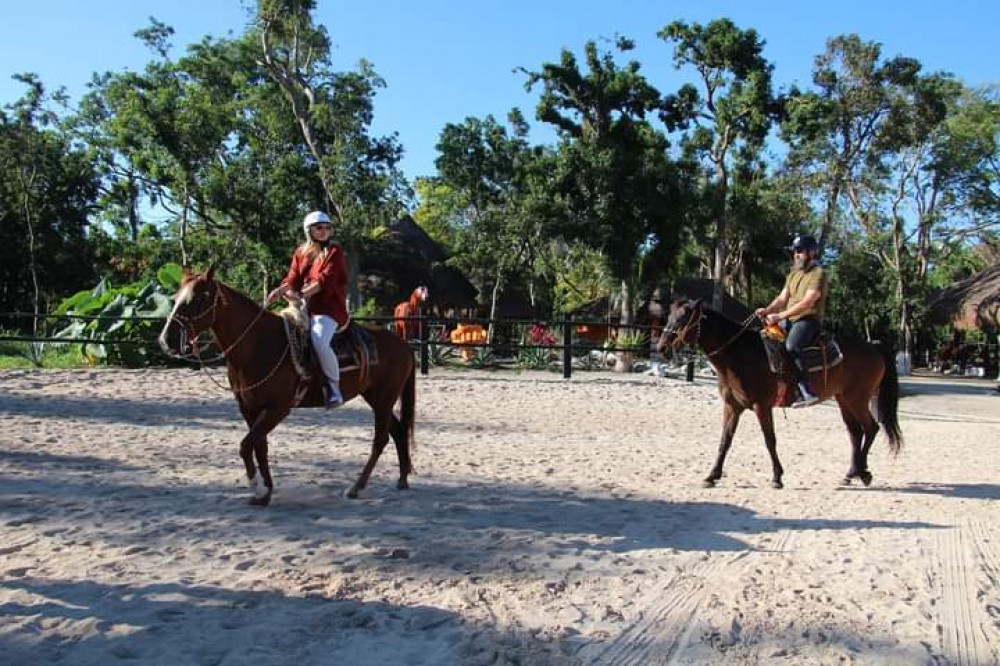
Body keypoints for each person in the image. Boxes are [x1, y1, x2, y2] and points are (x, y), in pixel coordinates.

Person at [267, 211, 348, 407]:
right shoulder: (300, 252)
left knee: (319, 341)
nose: (324, 231)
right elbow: (292, 278)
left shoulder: (334, 251)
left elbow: (324, 281)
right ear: (309, 230)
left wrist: (301, 295)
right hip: (302, 307)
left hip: (327, 308)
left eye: (328, 227)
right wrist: (279, 291)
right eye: (319, 227)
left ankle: (334, 388)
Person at [755, 233, 827, 408]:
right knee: (765, 335)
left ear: (811, 252)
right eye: (795, 250)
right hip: (789, 319)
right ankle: (777, 382)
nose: (796, 254)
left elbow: (808, 302)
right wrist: (767, 309)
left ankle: (806, 389)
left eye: (800, 250)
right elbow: (782, 298)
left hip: (807, 320)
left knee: (791, 346)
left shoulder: (818, 274)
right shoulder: (793, 274)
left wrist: (779, 316)